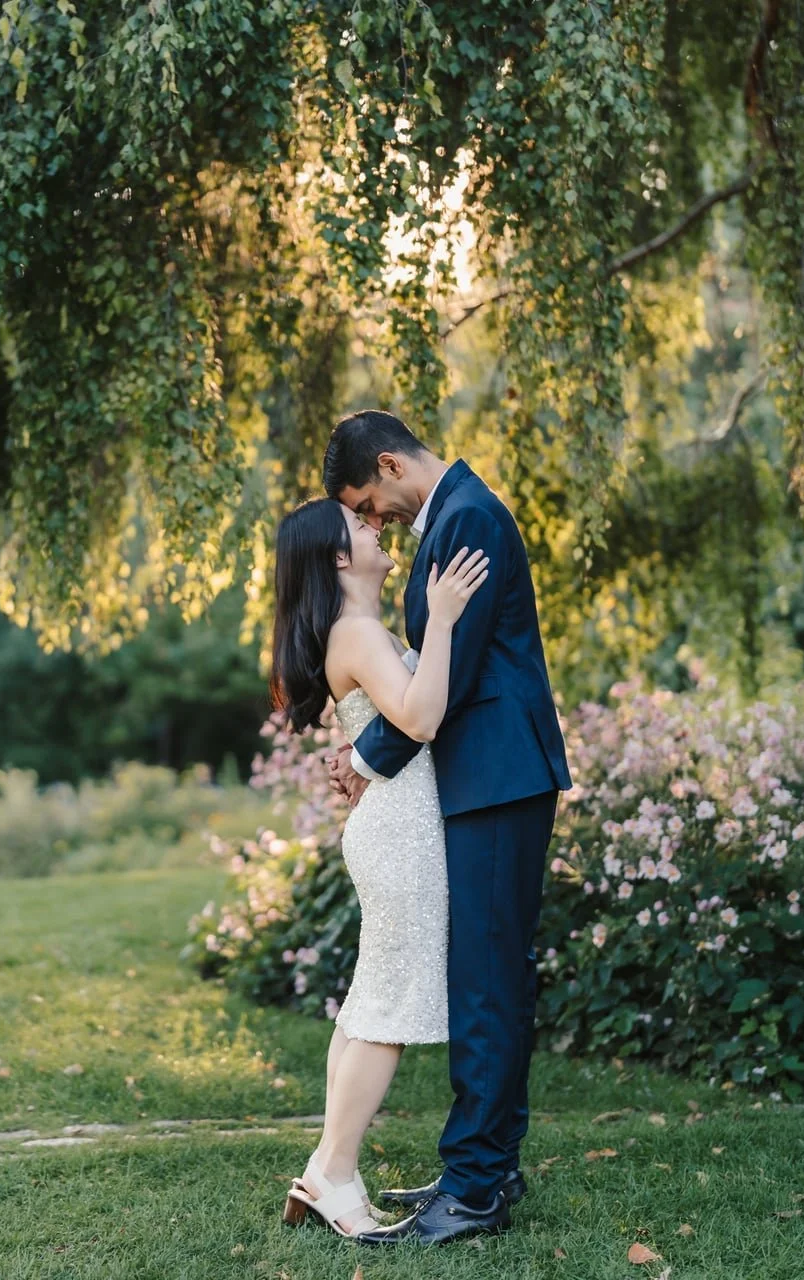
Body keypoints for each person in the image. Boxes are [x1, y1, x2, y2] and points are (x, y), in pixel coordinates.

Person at [324, 409, 573, 1247]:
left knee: (486, 982)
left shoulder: (464, 518)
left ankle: (473, 1188)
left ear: (391, 464)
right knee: (487, 974)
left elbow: (447, 680)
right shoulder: (457, 513)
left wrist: (363, 760)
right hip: (489, 778)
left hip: (498, 778)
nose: (373, 520)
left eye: (368, 500)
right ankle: (488, 1164)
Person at [267, 495, 491, 1238]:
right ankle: (333, 1174)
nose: (377, 527)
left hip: (393, 828)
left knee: (371, 1004)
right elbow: (422, 720)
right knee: (385, 1014)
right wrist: (448, 619)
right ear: (337, 556)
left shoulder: (360, 629)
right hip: (399, 836)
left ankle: (328, 1167)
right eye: (362, 526)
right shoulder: (357, 632)